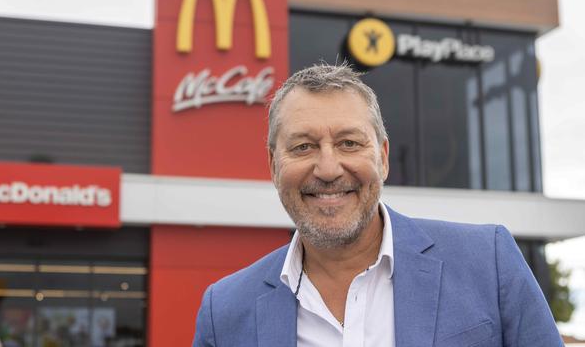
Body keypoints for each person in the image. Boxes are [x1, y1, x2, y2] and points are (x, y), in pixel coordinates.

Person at [192, 64, 563, 347]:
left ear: (383, 158)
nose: (327, 168)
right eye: (303, 146)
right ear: (273, 165)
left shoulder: (489, 262)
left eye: (349, 143)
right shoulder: (224, 312)